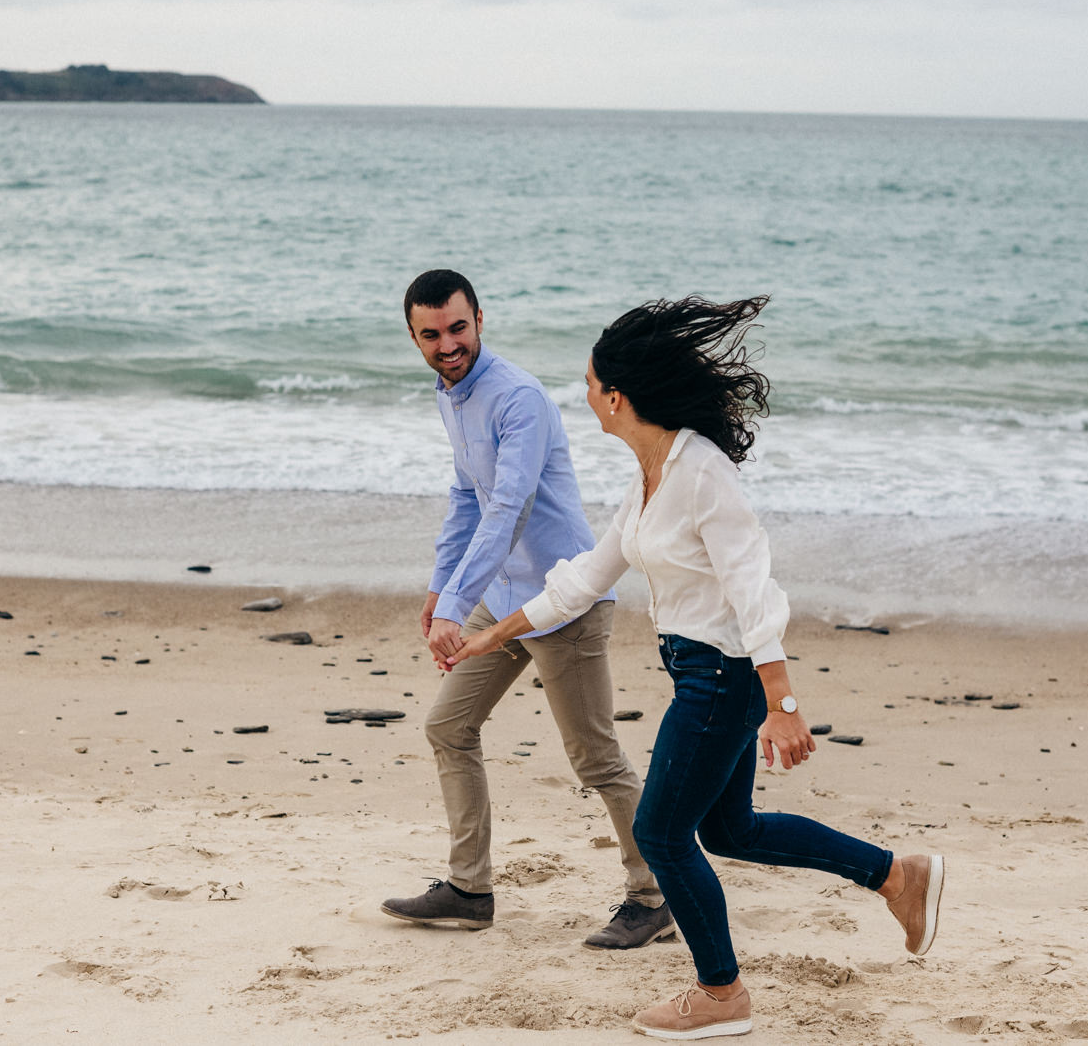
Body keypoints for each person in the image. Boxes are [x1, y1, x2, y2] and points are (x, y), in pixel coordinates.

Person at [442, 294, 946, 1040]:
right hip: (699, 671)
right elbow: (586, 575)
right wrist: (495, 633)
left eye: (588, 383)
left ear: (616, 396)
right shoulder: (649, 473)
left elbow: (752, 585)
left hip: (725, 676)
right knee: (730, 828)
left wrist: (783, 699)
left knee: (663, 830)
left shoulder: (702, 473)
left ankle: (721, 990)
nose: (583, 396)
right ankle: (897, 876)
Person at [379, 269, 675, 950]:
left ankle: (654, 895)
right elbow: (466, 496)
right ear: (414, 336)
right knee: (448, 725)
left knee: (596, 758)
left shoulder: (517, 397)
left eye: (458, 327)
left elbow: (508, 509)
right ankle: (469, 888)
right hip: (505, 597)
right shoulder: (450, 394)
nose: (447, 344)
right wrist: (440, 588)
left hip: (565, 599)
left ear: (480, 318)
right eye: (432, 334)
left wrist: (457, 602)